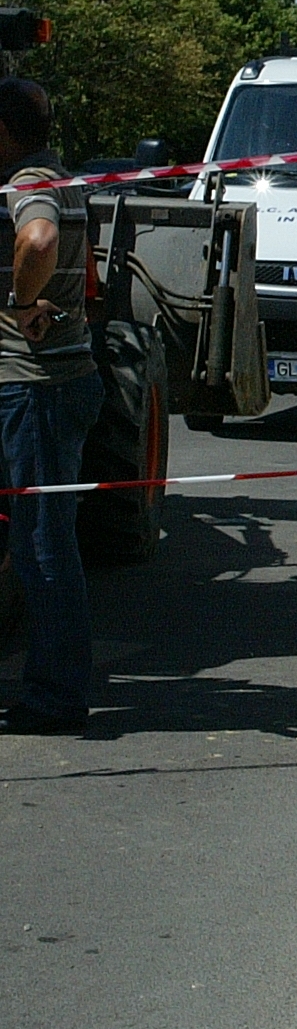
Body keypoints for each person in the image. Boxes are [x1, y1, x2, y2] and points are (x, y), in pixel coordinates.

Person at [0, 79, 105, 735]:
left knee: (42, 545)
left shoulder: (29, 182)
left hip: (35, 384)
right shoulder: (57, 176)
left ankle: (57, 696)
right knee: (42, 539)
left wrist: (17, 300)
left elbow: (37, 241)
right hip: (56, 380)